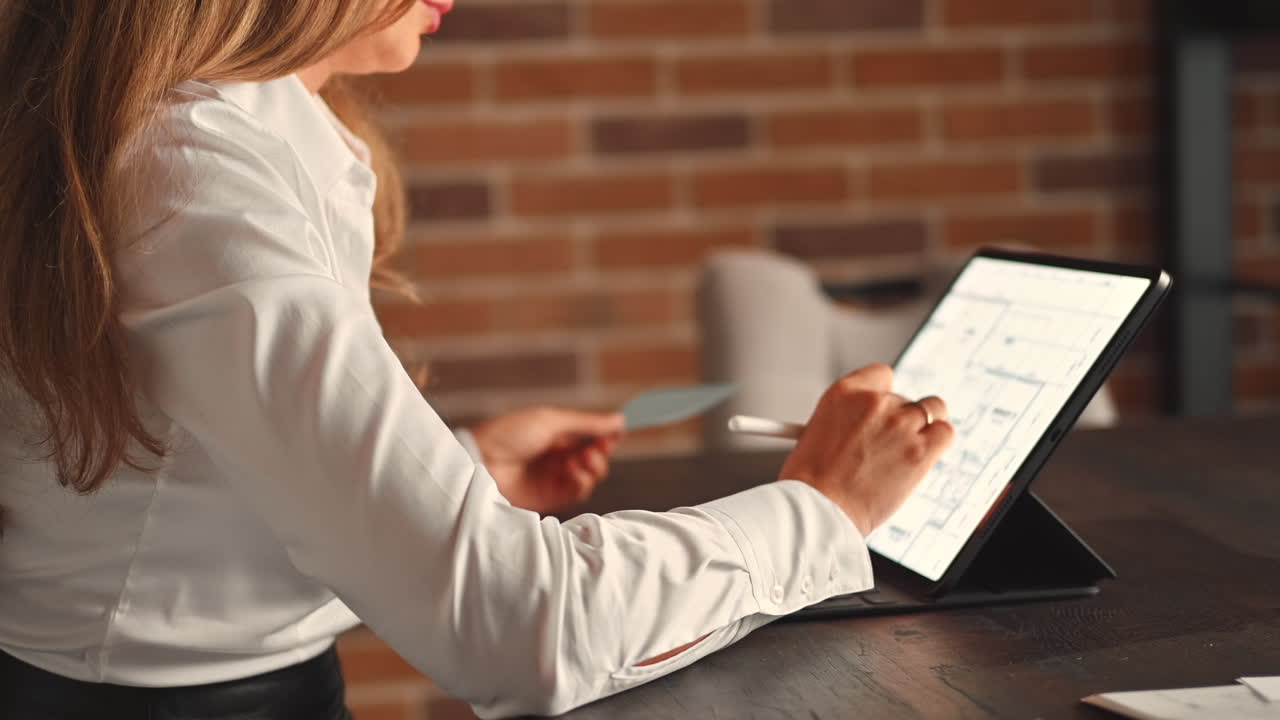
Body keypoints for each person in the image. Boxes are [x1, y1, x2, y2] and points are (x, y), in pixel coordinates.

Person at [0, 1, 955, 718]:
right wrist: (822, 507)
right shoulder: (200, 185)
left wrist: (461, 469)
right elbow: (515, 626)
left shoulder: (223, 138)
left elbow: (185, 471)